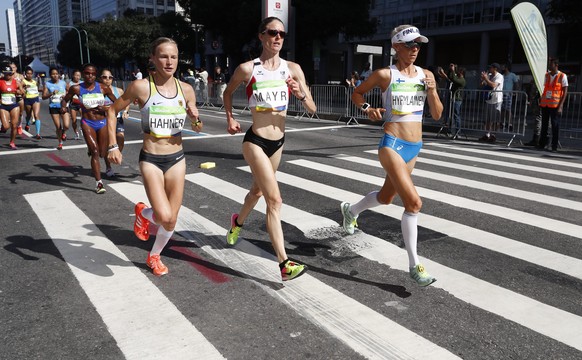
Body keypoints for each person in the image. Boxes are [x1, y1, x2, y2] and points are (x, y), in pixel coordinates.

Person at [340, 24, 442, 287]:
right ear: (396, 47)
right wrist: (366, 108)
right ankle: (414, 264)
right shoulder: (385, 74)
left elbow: (438, 114)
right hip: (392, 143)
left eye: (418, 45)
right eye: (409, 45)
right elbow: (357, 92)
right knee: (414, 203)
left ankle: (351, 211)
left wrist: (431, 90)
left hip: (415, 146)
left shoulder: (426, 75)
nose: (415, 49)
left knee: (386, 198)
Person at [224, 17, 316, 282]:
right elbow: (227, 93)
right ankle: (284, 264)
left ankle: (237, 223)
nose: (278, 37)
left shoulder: (293, 69)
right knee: (274, 200)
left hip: (278, 143)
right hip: (255, 140)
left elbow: (312, 108)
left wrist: (300, 93)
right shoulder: (247, 69)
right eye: (272, 33)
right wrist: (230, 118)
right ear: (261, 36)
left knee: (256, 191)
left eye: (282, 34)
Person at [107, 37, 202, 276]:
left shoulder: (186, 89)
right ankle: (144, 213)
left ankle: (154, 255)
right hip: (151, 158)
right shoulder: (141, 87)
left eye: (174, 57)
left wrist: (195, 117)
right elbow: (112, 111)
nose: (169, 62)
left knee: (171, 220)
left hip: (177, 159)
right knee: (163, 215)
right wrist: (112, 146)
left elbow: (198, 127)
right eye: (163, 56)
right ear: (152, 58)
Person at [61, 64, 116, 193]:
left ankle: (92, 149)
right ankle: (99, 183)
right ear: (83, 74)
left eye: (92, 73)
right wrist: (64, 107)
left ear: (95, 75)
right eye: (87, 73)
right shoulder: (76, 89)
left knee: (103, 153)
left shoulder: (103, 88)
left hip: (102, 122)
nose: (90, 76)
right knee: (96, 152)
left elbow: (116, 102)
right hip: (87, 122)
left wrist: (106, 108)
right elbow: (65, 100)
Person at [100, 68, 130, 177]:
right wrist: (103, 108)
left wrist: (126, 111)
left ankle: (114, 154)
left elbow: (127, 102)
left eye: (110, 77)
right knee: (109, 143)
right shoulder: (97, 90)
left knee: (120, 140)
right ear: (101, 78)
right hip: (103, 120)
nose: (107, 79)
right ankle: (108, 167)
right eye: (104, 77)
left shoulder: (119, 91)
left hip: (118, 119)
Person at [537, 57, 568, 152]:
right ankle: (542, 144)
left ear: (556, 65)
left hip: (555, 105)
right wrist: (541, 99)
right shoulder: (547, 75)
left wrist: (561, 105)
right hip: (545, 104)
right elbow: (546, 89)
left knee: (555, 126)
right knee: (544, 125)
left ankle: (554, 146)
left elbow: (565, 91)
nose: (549, 66)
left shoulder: (562, 76)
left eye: (551, 64)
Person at [42, 67, 70, 150]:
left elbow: (69, 93)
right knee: (58, 127)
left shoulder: (63, 83)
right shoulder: (47, 84)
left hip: (63, 106)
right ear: (50, 75)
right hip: (53, 107)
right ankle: (60, 143)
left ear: (59, 74)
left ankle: (64, 132)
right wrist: (51, 93)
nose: (55, 75)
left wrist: (65, 96)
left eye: (56, 74)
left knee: (66, 125)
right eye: (53, 74)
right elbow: (43, 97)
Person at [0, 63, 25, 149]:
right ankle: (3, 126)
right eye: (6, 74)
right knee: (6, 126)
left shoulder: (16, 82)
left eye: (10, 73)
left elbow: (23, 93)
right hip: (3, 105)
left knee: (14, 125)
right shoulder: (0, 81)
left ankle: (12, 142)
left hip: (14, 105)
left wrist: (20, 92)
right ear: (3, 73)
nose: (8, 75)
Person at [439, 63, 466, 138]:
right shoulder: (456, 77)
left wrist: (453, 70)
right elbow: (450, 78)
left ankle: (458, 132)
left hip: (457, 100)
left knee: (456, 116)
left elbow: (454, 79)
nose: (458, 72)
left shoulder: (462, 80)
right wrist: (447, 71)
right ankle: (449, 131)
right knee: (450, 115)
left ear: (462, 73)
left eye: (459, 71)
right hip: (452, 98)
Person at [479, 63, 504, 142]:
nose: (489, 69)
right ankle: (487, 134)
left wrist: (486, 79)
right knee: (487, 119)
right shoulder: (489, 75)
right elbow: (481, 85)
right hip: (489, 100)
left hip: (496, 100)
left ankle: (493, 135)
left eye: (491, 68)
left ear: (495, 69)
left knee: (495, 119)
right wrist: (483, 79)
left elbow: (493, 85)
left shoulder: (499, 76)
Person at [22, 66, 42, 139]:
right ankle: (27, 123)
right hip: (27, 100)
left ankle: (38, 134)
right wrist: (24, 88)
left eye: (31, 74)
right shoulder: (23, 82)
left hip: (35, 99)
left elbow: (38, 88)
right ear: (25, 74)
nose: (29, 75)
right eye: (28, 73)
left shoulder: (34, 82)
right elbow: (21, 92)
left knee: (36, 115)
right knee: (29, 115)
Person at [501, 64, 519, 131]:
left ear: (507, 68)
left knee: (508, 110)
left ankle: (510, 124)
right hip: (501, 94)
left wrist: (515, 92)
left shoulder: (512, 75)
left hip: (508, 95)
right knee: (502, 110)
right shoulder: (502, 76)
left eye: (503, 67)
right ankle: (502, 123)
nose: (502, 68)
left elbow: (516, 84)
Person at [10, 63, 25, 136]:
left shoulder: (20, 76)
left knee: (21, 113)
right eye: (11, 67)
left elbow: (24, 85)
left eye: (13, 67)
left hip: (19, 96)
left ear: (16, 68)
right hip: (11, 97)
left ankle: (19, 125)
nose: (12, 69)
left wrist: (21, 88)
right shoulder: (8, 76)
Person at [68, 69, 82, 140]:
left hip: (81, 103)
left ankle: (82, 127)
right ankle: (76, 132)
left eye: (79, 75)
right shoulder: (70, 84)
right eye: (76, 75)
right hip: (73, 104)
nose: (78, 77)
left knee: (84, 116)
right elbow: (67, 94)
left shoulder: (82, 83)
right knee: (74, 120)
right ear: (73, 75)